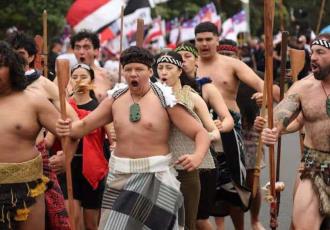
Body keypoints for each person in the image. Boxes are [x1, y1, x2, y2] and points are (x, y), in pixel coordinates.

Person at [56, 46, 211, 230]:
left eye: (139, 69)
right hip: (120, 176)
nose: (133, 74)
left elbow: (200, 132)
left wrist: (197, 156)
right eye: (128, 70)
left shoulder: (165, 98)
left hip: (157, 175)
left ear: (150, 71)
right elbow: (82, 127)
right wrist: (65, 128)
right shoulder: (115, 99)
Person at [6, 31, 76, 229]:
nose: (15, 60)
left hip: (38, 161)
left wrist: (65, 152)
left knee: (52, 219)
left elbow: (71, 120)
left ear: (30, 57)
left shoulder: (42, 85)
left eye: (20, 54)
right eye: (10, 55)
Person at [261, 33, 330, 230]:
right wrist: (272, 130)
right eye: (312, 52)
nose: (314, 57)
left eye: (320, 52)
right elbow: (279, 116)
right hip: (316, 168)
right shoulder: (303, 88)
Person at [156, 50, 220, 230]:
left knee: (188, 223)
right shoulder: (151, 97)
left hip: (187, 167)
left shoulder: (191, 96)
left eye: (169, 67)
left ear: (179, 71)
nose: (164, 72)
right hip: (158, 167)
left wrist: (203, 139)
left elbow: (214, 131)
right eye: (160, 68)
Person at [0, 41, 60, 229]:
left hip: (28, 186)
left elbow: (69, 132)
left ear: (12, 68)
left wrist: (66, 155)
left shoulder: (34, 100)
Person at [174, 42, 234, 229]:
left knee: (199, 219)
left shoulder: (205, 88)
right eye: (179, 57)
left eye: (187, 56)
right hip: (174, 158)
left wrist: (216, 128)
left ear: (196, 60)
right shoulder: (163, 90)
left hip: (205, 157)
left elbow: (228, 120)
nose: (183, 61)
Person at [218, 39, 266, 230]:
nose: (226, 60)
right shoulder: (211, 76)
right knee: (225, 180)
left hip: (250, 131)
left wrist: (266, 98)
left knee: (253, 179)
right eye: (222, 56)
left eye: (230, 56)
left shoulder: (253, 76)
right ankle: (220, 222)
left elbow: (275, 94)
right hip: (222, 131)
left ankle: (255, 220)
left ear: (238, 57)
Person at [70, 30, 113, 102]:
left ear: (96, 51)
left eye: (86, 48)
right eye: (77, 48)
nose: (81, 52)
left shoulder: (107, 76)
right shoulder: (64, 77)